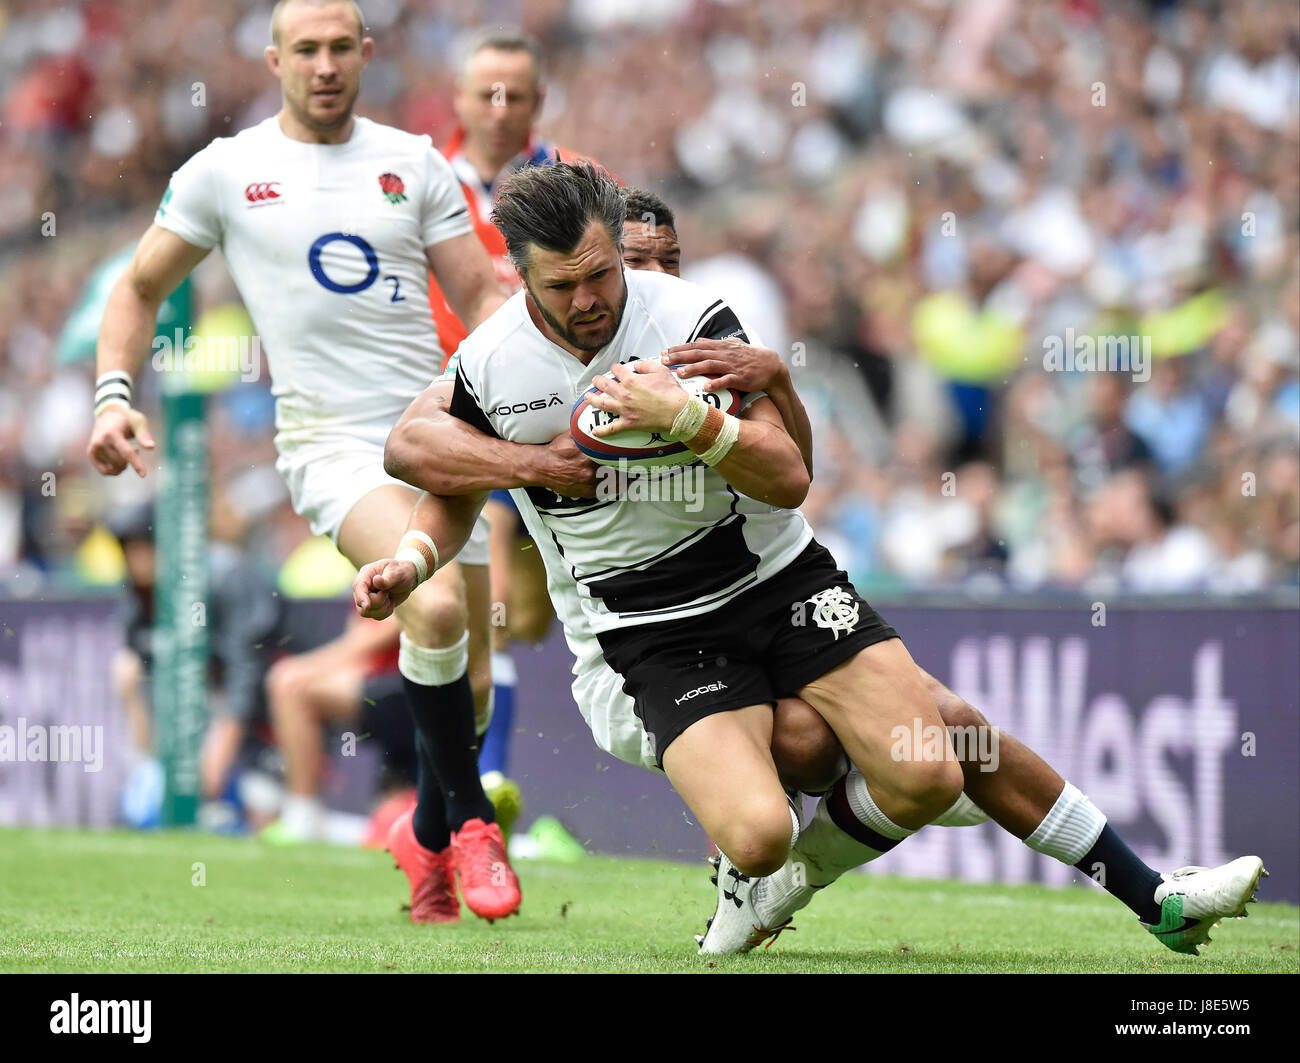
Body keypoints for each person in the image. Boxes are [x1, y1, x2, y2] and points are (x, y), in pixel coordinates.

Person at [356, 164, 1266, 957]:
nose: (594, 298)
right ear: (523, 278)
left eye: (605, 273)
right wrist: (422, 550)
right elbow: (430, 464)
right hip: (647, 625)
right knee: (759, 829)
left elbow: (790, 478)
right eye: (566, 285)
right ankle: (764, 875)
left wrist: (688, 417)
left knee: (933, 758)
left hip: (775, 580)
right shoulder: (493, 363)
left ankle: (1157, 899)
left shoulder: (690, 319)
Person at [86, 0, 526, 925]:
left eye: (340, 49)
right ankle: (477, 823)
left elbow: (481, 295)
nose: (324, 65)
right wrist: (115, 394)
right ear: (275, 58)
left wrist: (529, 399)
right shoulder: (227, 171)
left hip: (437, 440)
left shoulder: (415, 163)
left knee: (474, 683)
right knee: (433, 600)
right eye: (306, 50)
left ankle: (426, 836)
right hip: (328, 443)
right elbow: (137, 286)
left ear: (365, 54)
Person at [428, 30, 607, 806]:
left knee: (528, 617)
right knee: (489, 608)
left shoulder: (582, 181)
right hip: (470, 419)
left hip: (568, 420)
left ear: (538, 103)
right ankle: (486, 785)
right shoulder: (423, 183)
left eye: (516, 95)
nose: (500, 109)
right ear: (460, 100)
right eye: (485, 94)